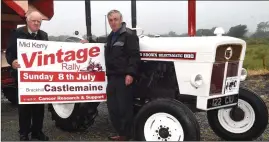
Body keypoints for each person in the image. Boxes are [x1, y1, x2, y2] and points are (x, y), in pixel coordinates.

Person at [5, 11, 49, 141]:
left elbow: (50, 52)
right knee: (24, 106)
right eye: (34, 21)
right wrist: (12, 62)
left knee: (39, 106)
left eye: (39, 22)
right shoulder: (17, 33)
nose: (36, 23)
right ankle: (23, 133)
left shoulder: (44, 35)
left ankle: (37, 131)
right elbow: (10, 52)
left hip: (39, 77)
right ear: (27, 21)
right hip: (23, 76)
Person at [104, 10, 141, 141]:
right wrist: (87, 42)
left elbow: (134, 56)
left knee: (124, 107)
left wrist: (130, 74)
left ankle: (127, 135)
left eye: (115, 19)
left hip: (123, 77)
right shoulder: (110, 36)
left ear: (121, 19)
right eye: (111, 20)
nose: (113, 22)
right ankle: (120, 132)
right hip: (112, 76)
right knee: (113, 107)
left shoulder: (129, 35)